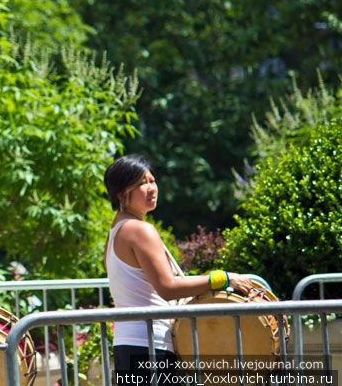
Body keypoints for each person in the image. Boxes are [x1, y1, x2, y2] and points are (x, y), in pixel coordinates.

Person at [103, 155, 255, 386]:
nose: (151, 188)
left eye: (152, 181)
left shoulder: (116, 230)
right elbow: (167, 288)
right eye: (141, 183)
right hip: (151, 347)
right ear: (121, 194)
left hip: (127, 344)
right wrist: (221, 278)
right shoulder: (140, 230)